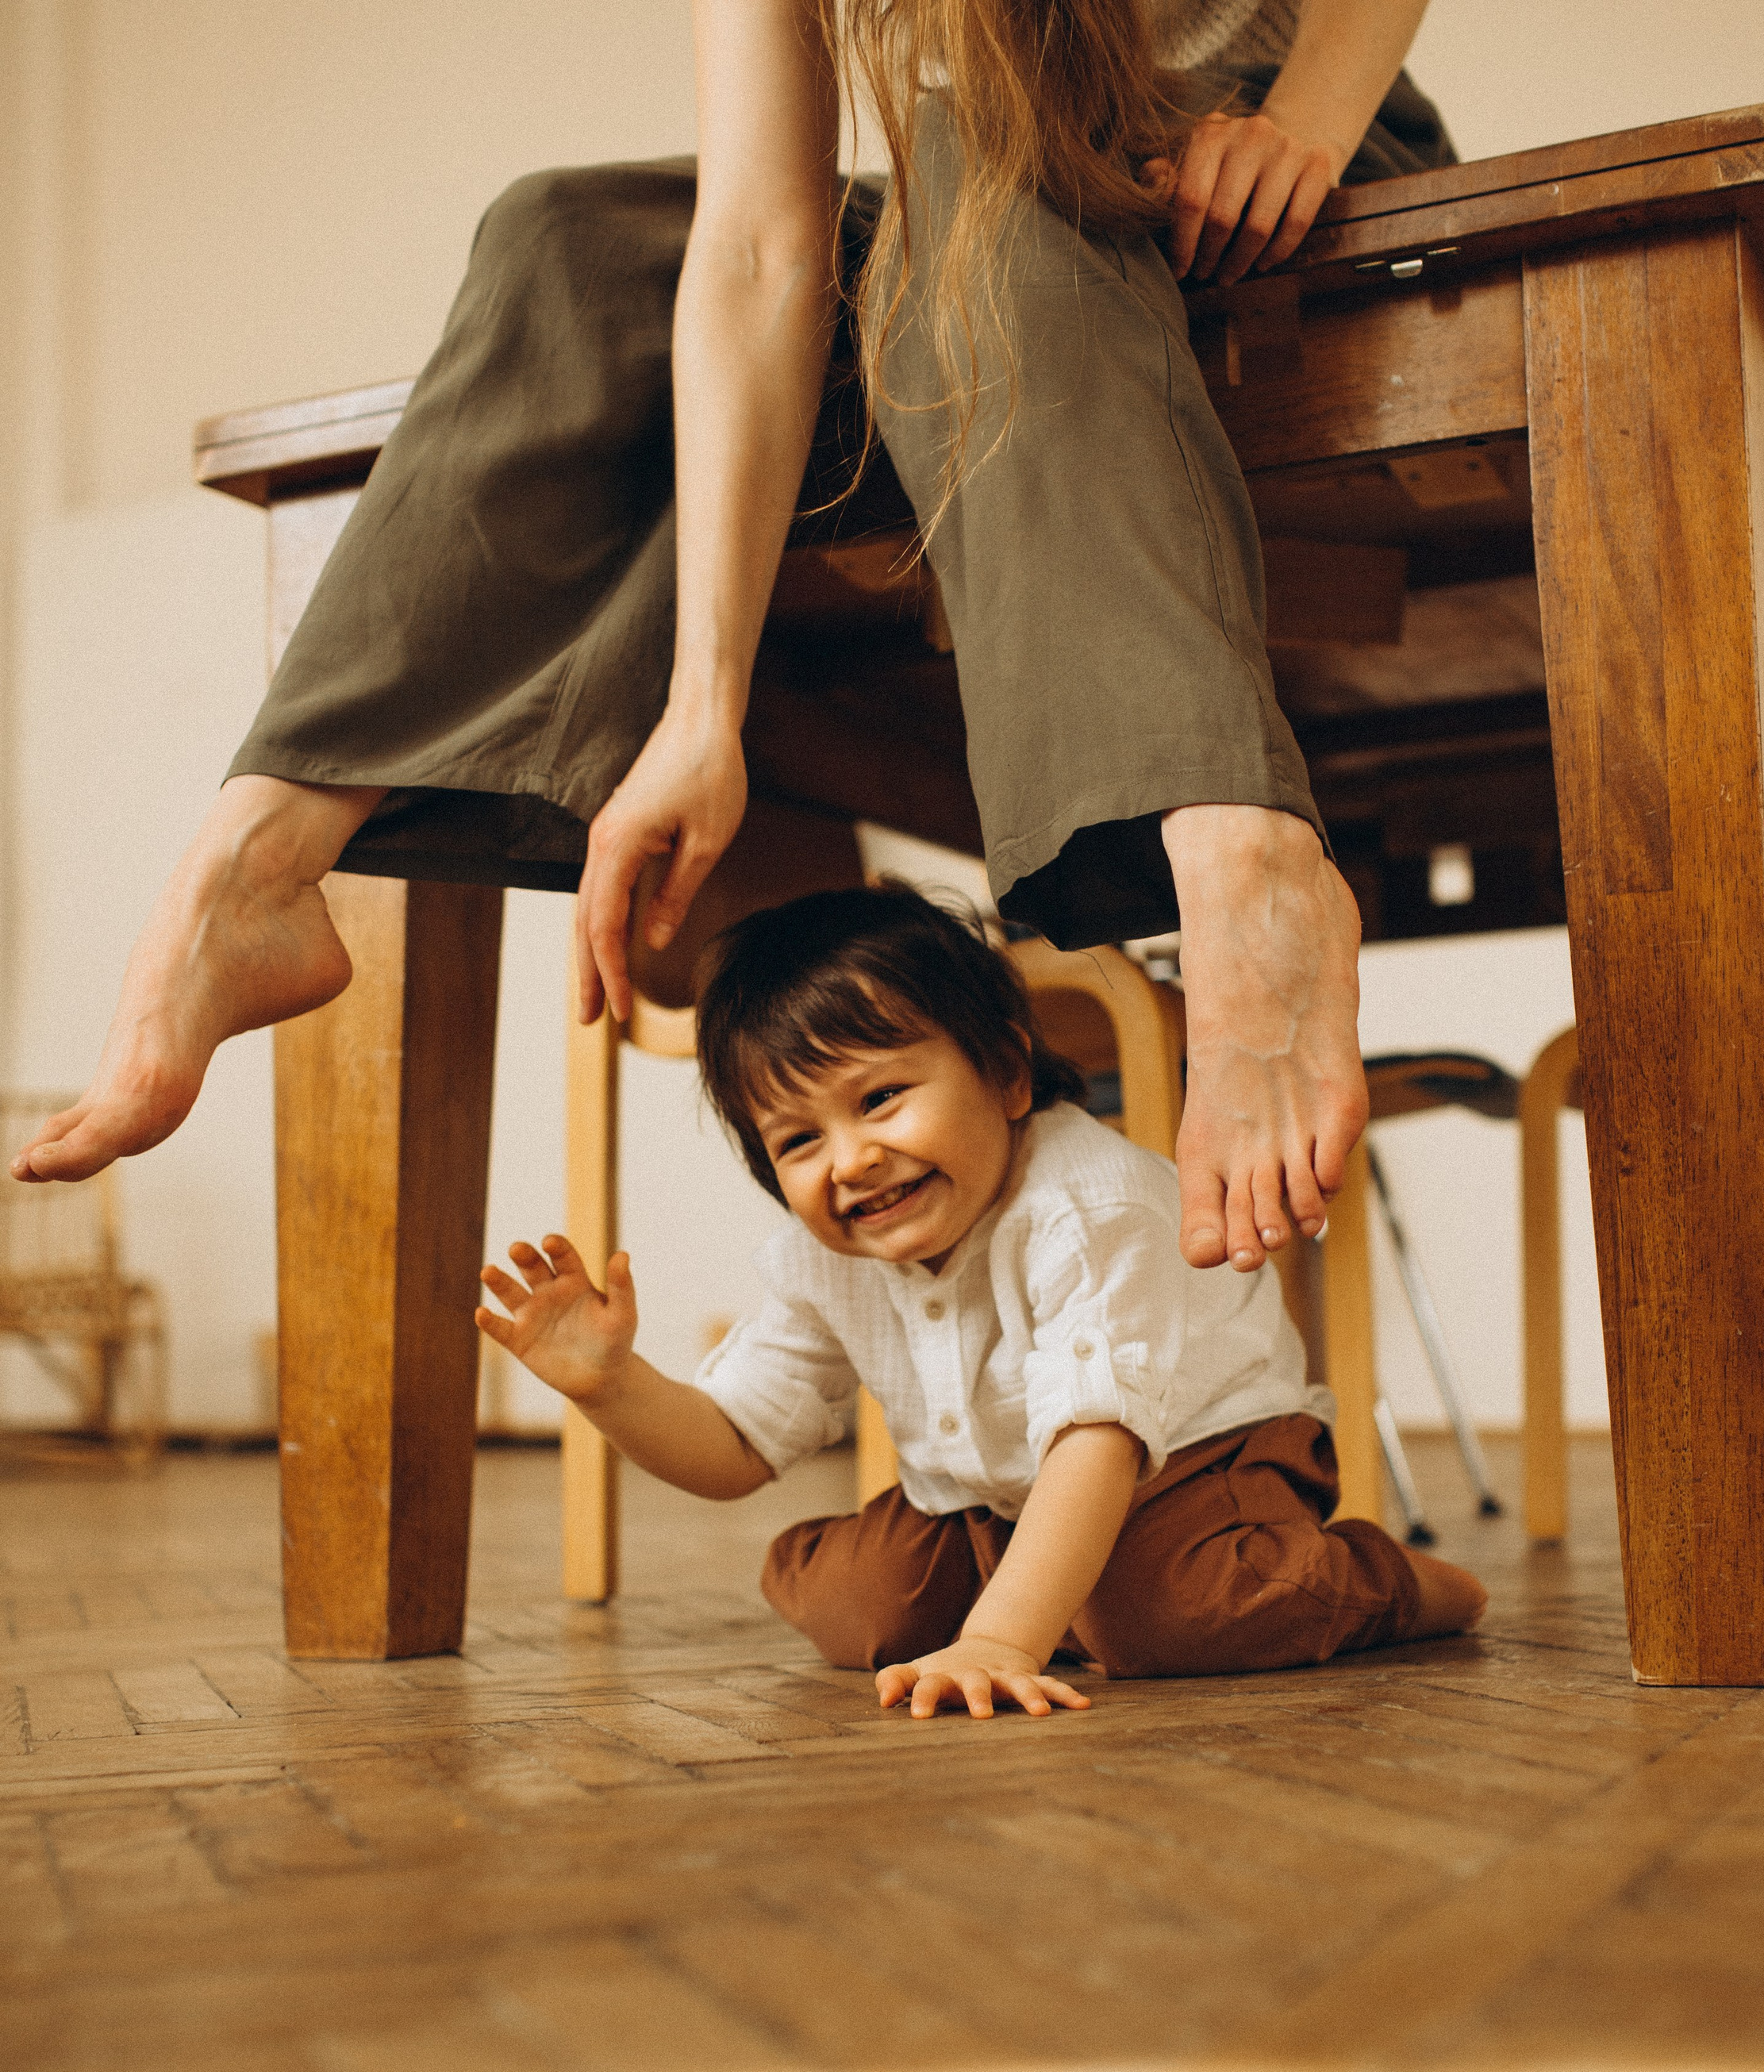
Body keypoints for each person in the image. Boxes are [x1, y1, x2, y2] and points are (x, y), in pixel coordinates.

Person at [10, 0, 1452, 1279]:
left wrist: (1302, 123)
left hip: (1265, 175)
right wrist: (703, 705)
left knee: (976, 162)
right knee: (569, 242)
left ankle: (1241, 854)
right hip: (987, 237)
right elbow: (765, 248)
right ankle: (253, 865)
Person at [476, 888, 1485, 1716]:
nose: (851, 1160)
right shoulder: (827, 1256)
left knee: (1163, 1622)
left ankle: (1384, 1583)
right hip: (991, 1498)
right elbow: (736, 1444)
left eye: (879, 1099)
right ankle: (1048, 1590)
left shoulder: (1085, 1206)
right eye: (797, 1141)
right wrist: (612, 1386)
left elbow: (1097, 1441)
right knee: (863, 1610)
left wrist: (1000, 1640)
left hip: (1199, 1460)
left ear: (1006, 1074)